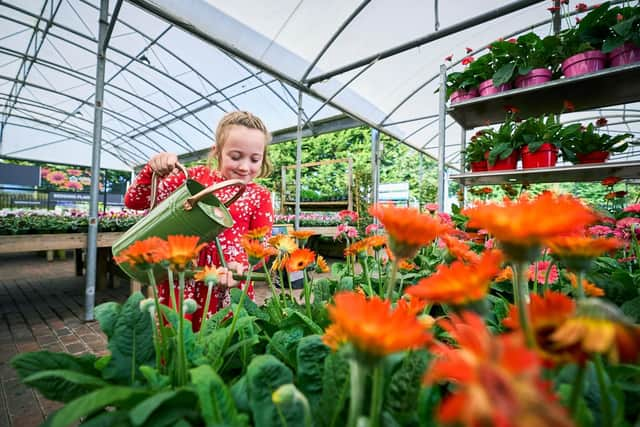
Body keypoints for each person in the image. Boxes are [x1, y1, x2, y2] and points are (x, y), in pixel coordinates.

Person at [124, 111, 274, 331]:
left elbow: (262, 245)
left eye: (254, 159)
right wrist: (152, 171)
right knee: (177, 341)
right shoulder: (191, 179)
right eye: (235, 156)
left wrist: (240, 267)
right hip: (182, 278)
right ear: (217, 152)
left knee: (222, 345)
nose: (244, 167)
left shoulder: (260, 196)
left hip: (227, 286)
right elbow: (135, 201)